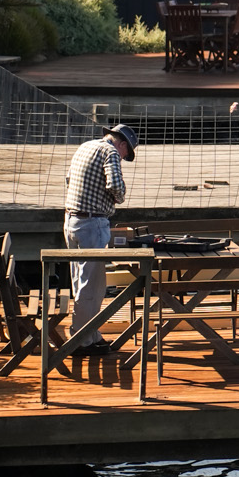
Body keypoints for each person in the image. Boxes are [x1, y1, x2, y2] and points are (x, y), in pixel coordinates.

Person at [63, 124, 137, 353]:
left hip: (71, 221)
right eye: (127, 153)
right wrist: (121, 196)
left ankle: (91, 334)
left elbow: (68, 179)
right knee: (92, 286)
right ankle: (81, 341)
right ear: (122, 144)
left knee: (81, 282)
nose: (124, 157)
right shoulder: (111, 152)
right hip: (92, 224)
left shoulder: (85, 146)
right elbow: (115, 186)